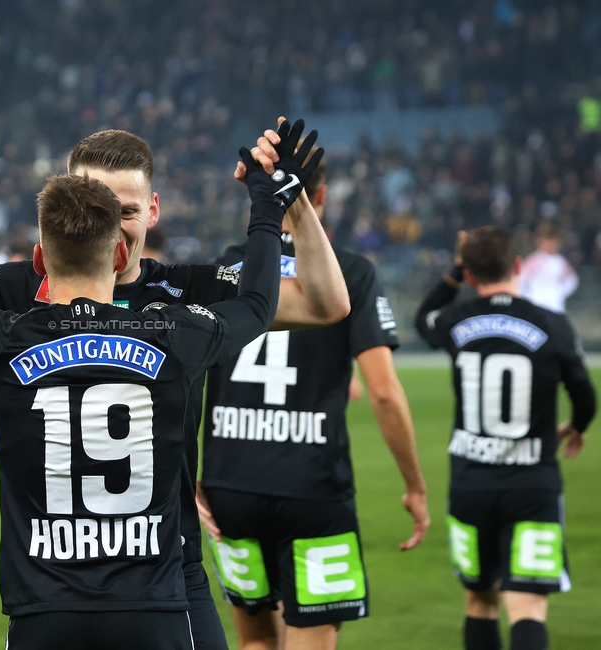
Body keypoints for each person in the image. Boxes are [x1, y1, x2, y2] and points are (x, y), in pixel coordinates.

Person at [0, 122, 350, 648]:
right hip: (95, 585)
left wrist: (296, 202)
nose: (111, 223)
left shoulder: (183, 287)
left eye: (126, 211)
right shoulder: (24, 287)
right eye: (98, 206)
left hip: (162, 571)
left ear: (153, 210)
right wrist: (273, 206)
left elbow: (325, 302)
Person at [197, 148, 430, 650]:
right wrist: (415, 485)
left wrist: (189, 472)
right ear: (319, 195)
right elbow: (385, 393)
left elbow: (188, 375)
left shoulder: (222, 270)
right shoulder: (353, 273)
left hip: (229, 487)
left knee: (257, 641)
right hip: (312, 488)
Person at [415, 226, 596, 650]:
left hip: (470, 484)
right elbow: (585, 395)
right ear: (517, 266)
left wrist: (454, 274)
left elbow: (423, 318)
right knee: (528, 607)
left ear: (470, 274)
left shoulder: (456, 320)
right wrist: (577, 427)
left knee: (479, 601)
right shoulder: (552, 323)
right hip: (532, 484)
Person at [518, 220, 579, 314]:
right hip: (536, 303)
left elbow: (572, 281)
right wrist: (527, 297)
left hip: (555, 305)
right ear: (540, 242)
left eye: (554, 242)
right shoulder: (534, 260)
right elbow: (521, 280)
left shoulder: (561, 262)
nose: (551, 245)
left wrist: (559, 292)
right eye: (548, 242)